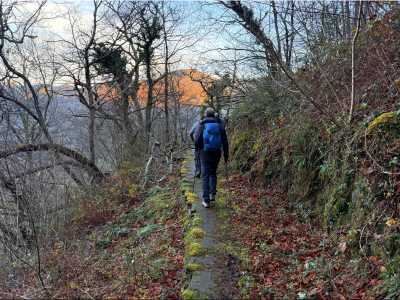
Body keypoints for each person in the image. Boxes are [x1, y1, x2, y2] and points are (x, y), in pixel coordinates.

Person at [195, 108, 229, 208]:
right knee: (213, 173)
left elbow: (196, 142)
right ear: (214, 116)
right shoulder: (220, 126)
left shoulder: (202, 125)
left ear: (205, 116)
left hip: (204, 154)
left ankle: (206, 201)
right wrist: (226, 155)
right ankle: (212, 194)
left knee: (205, 176)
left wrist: (199, 148)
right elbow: (225, 142)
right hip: (216, 154)